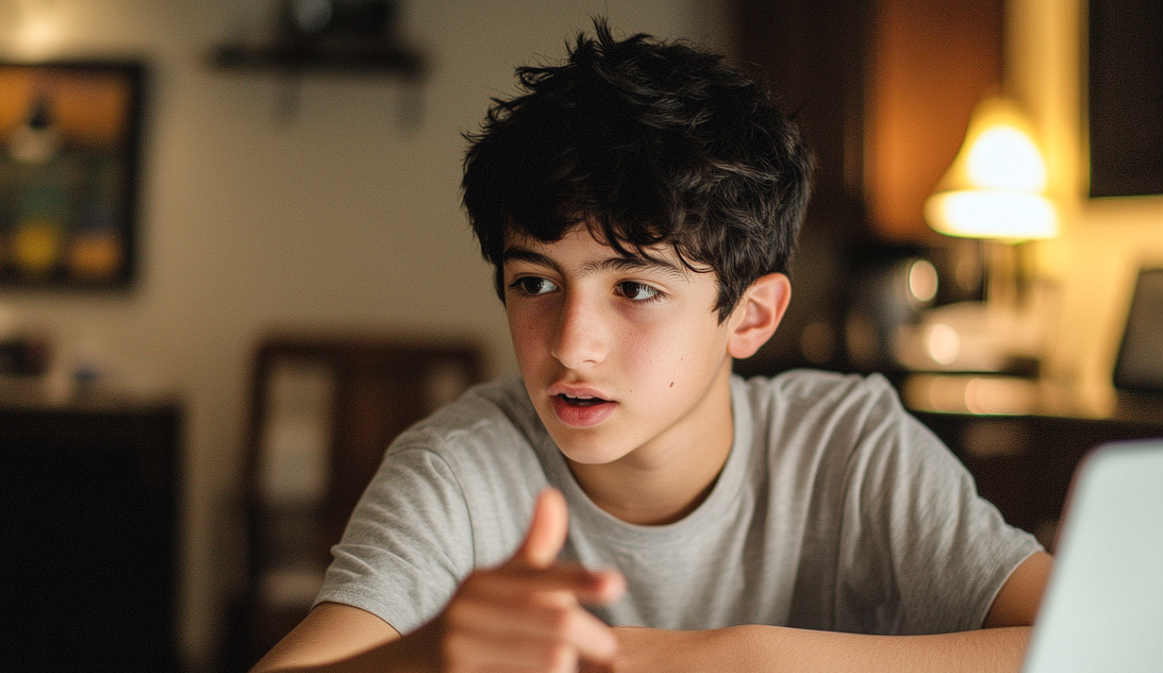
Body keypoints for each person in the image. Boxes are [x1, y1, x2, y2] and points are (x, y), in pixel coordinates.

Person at [251, 20, 1052, 673]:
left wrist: (748, 657)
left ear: (751, 315)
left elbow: (1088, 645)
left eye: (634, 288)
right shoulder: (463, 466)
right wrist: (425, 657)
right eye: (535, 282)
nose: (572, 346)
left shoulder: (845, 443)